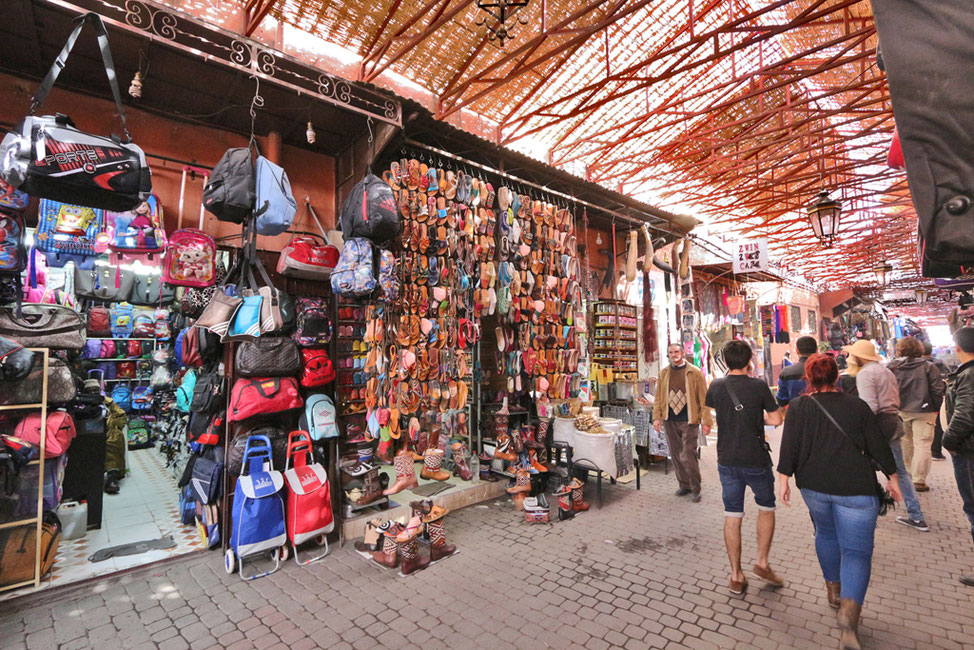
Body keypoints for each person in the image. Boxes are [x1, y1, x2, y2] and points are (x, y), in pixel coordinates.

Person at [777, 354, 901, 650]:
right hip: (856, 488)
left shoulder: (799, 406)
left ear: (809, 379)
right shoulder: (856, 406)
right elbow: (877, 445)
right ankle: (849, 615)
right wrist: (893, 478)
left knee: (826, 534)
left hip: (814, 486)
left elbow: (789, 443)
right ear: (837, 378)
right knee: (856, 553)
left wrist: (783, 478)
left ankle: (834, 591)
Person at [705, 340, 784, 595]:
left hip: (726, 459)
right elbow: (775, 419)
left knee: (732, 515)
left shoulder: (716, 386)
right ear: (750, 359)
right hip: (755, 459)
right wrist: (756, 417)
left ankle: (736, 576)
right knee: (766, 508)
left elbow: (714, 415)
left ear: (725, 361)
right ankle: (762, 561)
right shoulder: (759, 386)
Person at [845, 339, 928, 532]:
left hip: (878, 425)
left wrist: (859, 430)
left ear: (858, 356)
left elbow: (869, 407)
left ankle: (868, 513)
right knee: (899, 472)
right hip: (892, 421)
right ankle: (916, 515)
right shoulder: (885, 370)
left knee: (864, 469)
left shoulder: (866, 374)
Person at [653, 343, 713, 503]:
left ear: (683, 353)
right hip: (669, 419)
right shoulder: (664, 373)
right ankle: (684, 485)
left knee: (688, 454)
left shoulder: (695, 373)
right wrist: (656, 417)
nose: (674, 354)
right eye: (670, 352)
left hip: (689, 420)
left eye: (676, 351)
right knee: (675, 454)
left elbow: (704, 399)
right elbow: (658, 397)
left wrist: (707, 421)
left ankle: (696, 488)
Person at [887, 337, 945, 491]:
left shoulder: (892, 367)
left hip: (900, 410)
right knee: (923, 444)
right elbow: (938, 389)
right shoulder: (929, 367)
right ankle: (919, 480)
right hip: (925, 411)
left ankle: (908, 475)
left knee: (905, 443)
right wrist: (936, 408)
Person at [942, 327, 974, 587]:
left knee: (972, 507)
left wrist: (947, 441)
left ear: (959, 348)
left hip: (969, 451)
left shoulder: (969, 375)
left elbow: (965, 415)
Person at [925, 341, 950, 461]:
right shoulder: (940, 365)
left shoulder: (914, 366)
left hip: (918, 402)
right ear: (930, 352)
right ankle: (936, 451)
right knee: (938, 426)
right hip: (938, 400)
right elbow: (948, 380)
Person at [776, 336, 818, 407]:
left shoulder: (786, 373)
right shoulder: (826, 370)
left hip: (797, 414)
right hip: (822, 414)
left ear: (797, 350)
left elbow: (782, 400)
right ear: (817, 350)